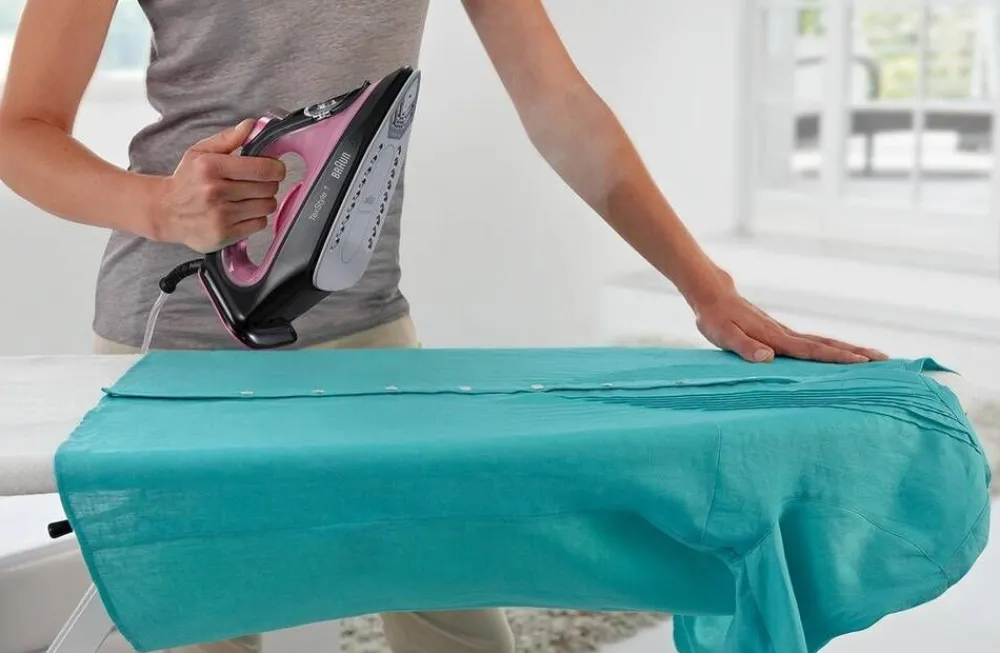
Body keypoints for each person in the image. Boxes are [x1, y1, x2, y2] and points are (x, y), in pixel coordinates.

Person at [0, 1, 886, 652]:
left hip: (361, 332)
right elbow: (21, 128)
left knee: (460, 627)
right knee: (201, 634)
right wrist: (160, 207)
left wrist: (705, 287)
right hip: (177, 338)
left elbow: (558, 103)